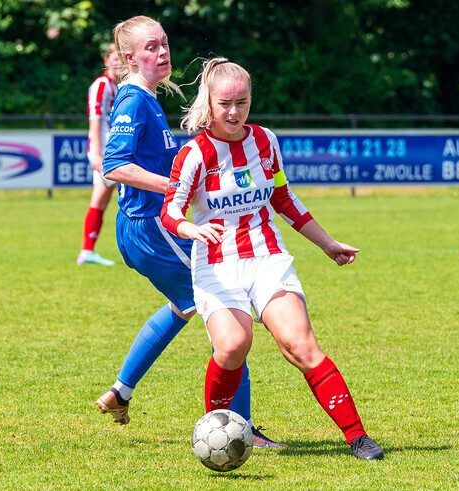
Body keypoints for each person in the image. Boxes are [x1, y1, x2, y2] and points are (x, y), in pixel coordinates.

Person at [160, 58, 384, 460]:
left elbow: (282, 197)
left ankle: (358, 437)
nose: (233, 112)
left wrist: (327, 243)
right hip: (216, 264)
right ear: (209, 102)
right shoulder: (194, 154)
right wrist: (192, 229)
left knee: (300, 345)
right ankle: (216, 432)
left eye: (242, 102)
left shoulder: (265, 140)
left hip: (267, 257)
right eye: (225, 103)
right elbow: (170, 211)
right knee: (232, 346)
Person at [94, 16, 284, 449]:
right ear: (129, 58)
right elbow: (114, 165)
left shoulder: (148, 98)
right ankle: (243, 427)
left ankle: (120, 393)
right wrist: (174, 188)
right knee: (230, 317)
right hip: (152, 229)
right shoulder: (134, 102)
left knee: (185, 306)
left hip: (147, 230)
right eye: (150, 48)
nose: (162, 53)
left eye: (164, 44)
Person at [77, 43, 122, 266]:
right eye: (113, 57)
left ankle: (87, 250)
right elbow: (95, 120)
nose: (118, 61)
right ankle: (87, 250)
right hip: (105, 154)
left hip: (110, 152)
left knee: (101, 199)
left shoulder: (116, 87)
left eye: (121, 57)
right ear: (106, 61)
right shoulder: (102, 85)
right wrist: (96, 152)